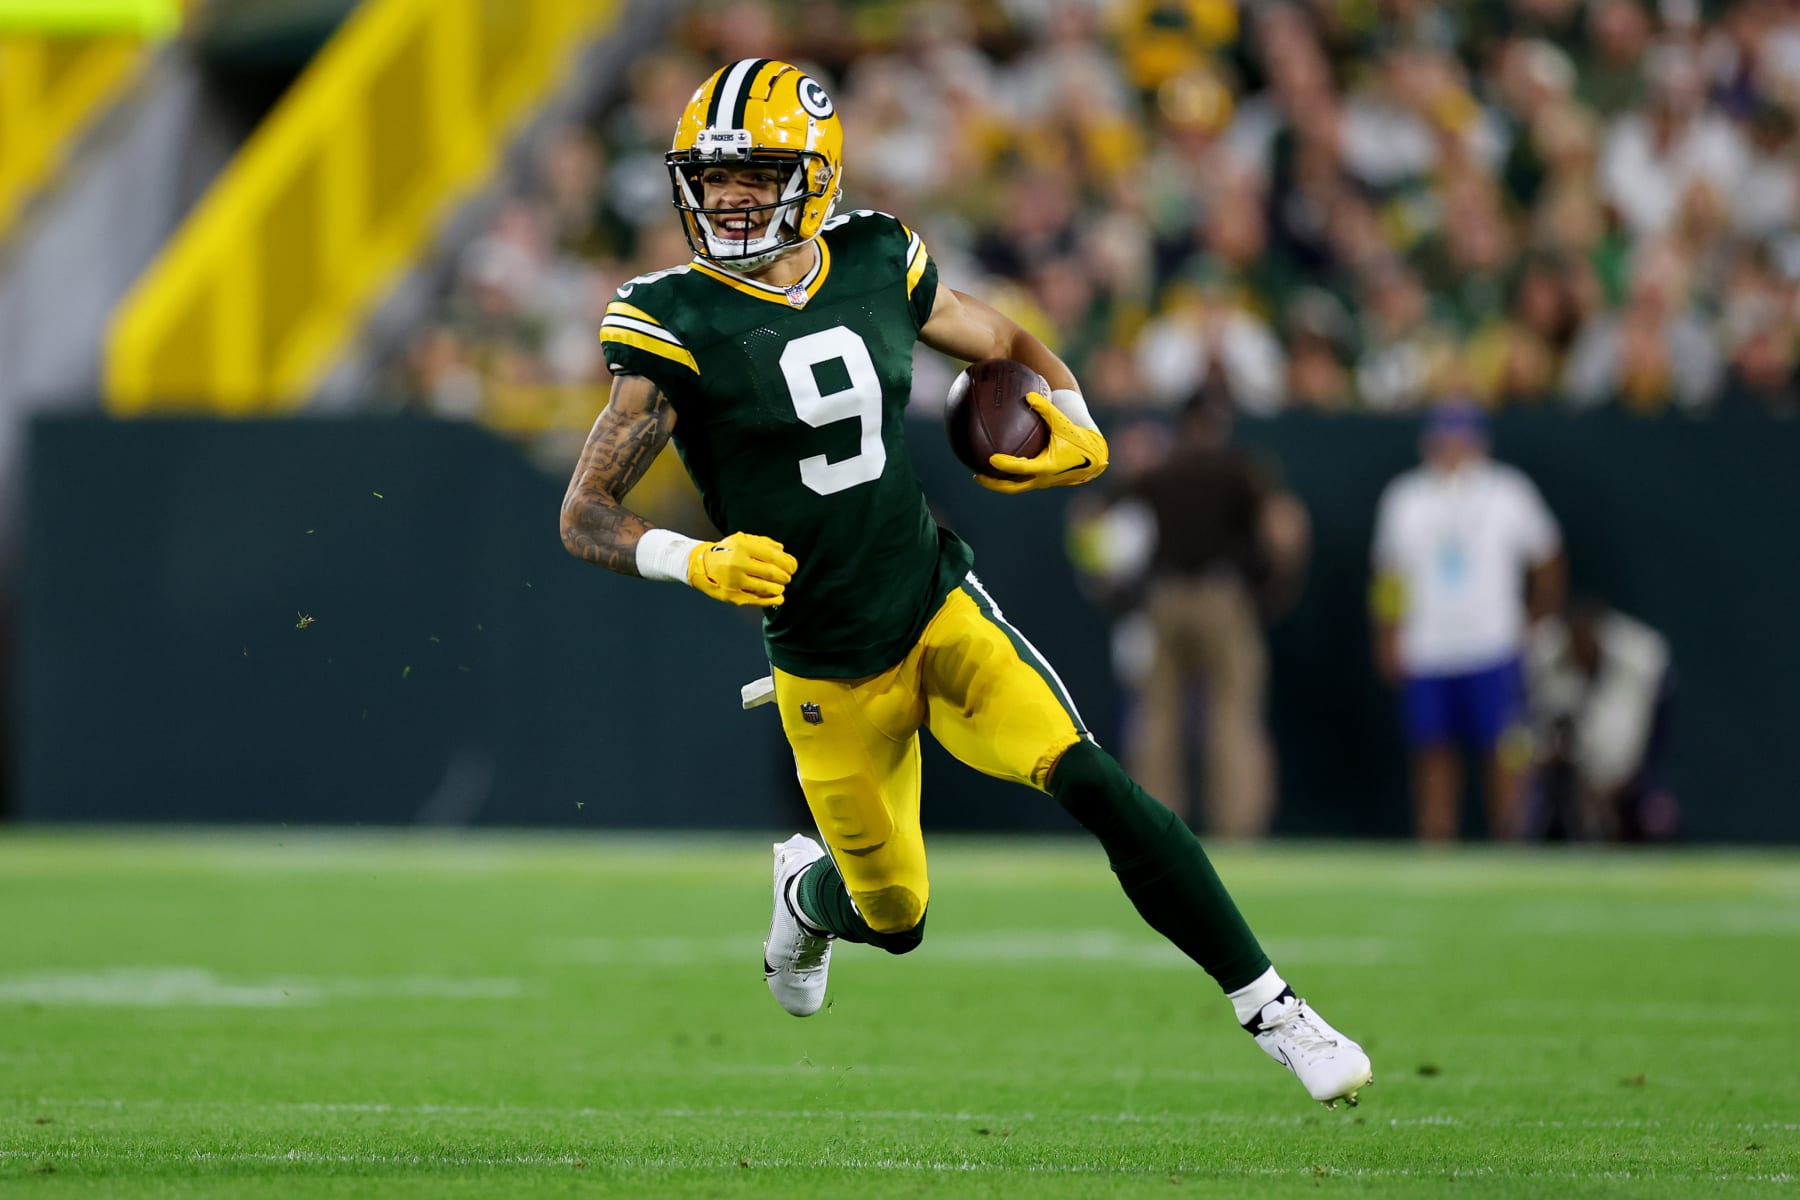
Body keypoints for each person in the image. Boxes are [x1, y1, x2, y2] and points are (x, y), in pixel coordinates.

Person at [559, 60, 1370, 1108]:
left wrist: (1070, 407)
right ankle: (807, 894)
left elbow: (1003, 341)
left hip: (933, 603)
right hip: (823, 660)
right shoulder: (671, 316)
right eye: (711, 180)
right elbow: (583, 513)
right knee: (894, 917)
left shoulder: (878, 255)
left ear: (814, 173)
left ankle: (1275, 1010)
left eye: (754, 174)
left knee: (1092, 779)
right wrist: (695, 559)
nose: (726, 199)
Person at [1371, 403, 1566, 841]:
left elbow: (1548, 556)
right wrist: (1389, 635)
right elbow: (1389, 576)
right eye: (1445, 438)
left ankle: (1512, 840)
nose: (1453, 448)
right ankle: (1436, 840)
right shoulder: (1405, 498)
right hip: (1428, 647)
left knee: (1504, 751)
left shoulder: (1508, 491)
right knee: (1432, 751)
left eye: (1462, 438)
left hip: (1493, 643)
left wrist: (1537, 618)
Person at [1524, 599, 1678, 842]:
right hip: (1572, 771)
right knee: (1544, 802)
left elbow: (1636, 742)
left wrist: (1611, 786)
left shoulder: (1636, 661)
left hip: (1628, 768)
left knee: (1653, 811)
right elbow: (1547, 731)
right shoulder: (1547, 658)